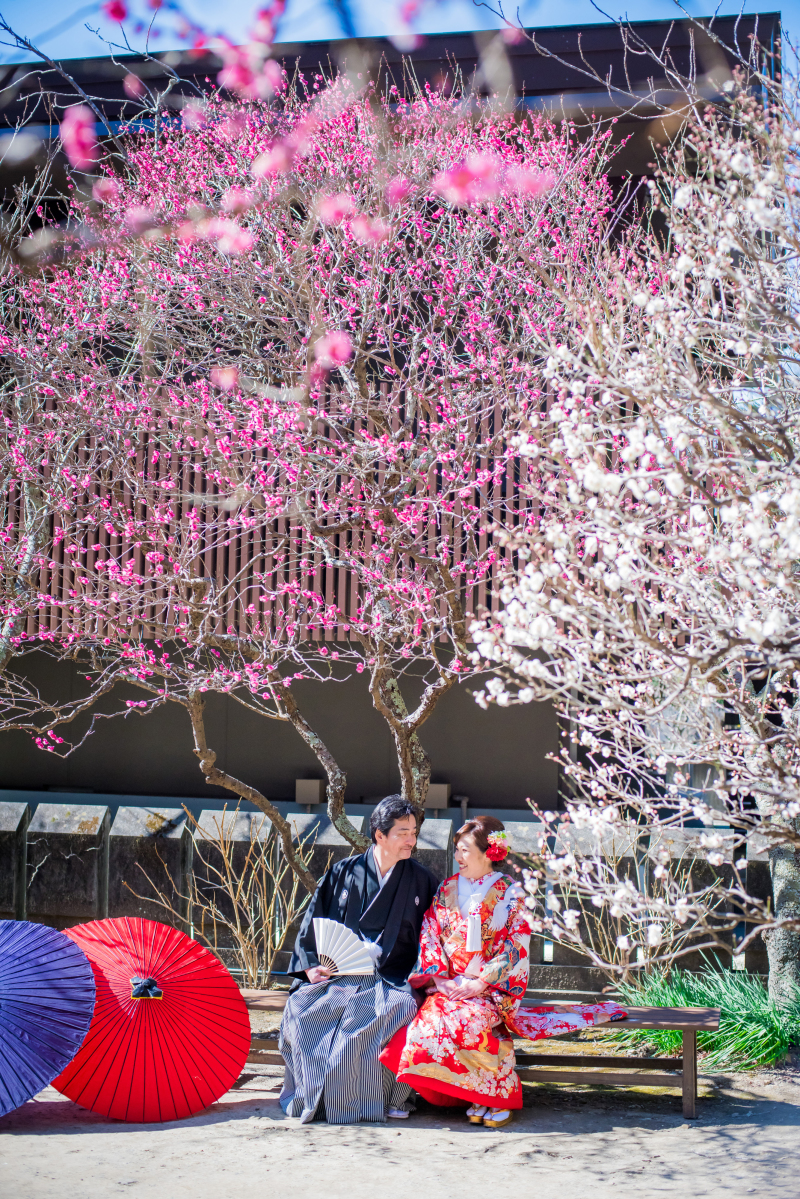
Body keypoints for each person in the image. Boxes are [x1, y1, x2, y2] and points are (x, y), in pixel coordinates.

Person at [381, 815, 625, 1128]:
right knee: (428, 1024)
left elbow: (517, 945)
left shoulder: (512, 894)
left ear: (488, 853)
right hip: (449, 984)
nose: (458, 857)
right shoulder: (446, 889)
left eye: (465, 850)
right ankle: (470, 1095)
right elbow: (429, 931)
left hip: (491, 989)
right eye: (457, 849)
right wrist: (441, 978)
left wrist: (480, 983)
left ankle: (493, 1096)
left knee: (468, 1023)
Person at [279, 794, 439, 1125]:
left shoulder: (422, 881)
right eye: (403, 832)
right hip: (337, 974)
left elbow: (433, 939)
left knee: (400, 1009)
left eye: (414, 831)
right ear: (380, 835)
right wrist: (309, 966)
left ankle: (382, 1099)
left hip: (391, 977)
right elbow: (312, 922)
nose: (411, 840)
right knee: (302, 1010)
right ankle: (316, 1099)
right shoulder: (342, 872)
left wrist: (421, 975)